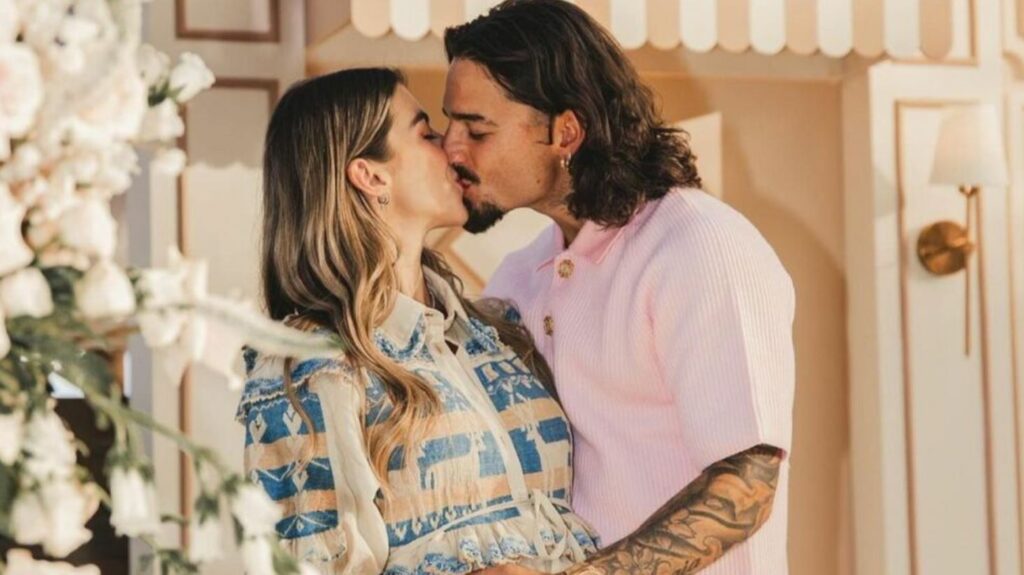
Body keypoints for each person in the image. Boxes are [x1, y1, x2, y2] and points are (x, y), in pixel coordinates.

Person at [441, 1, 796, 573]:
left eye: (477, 129)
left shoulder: (700, 246)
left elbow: (747, 483)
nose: (452, 148)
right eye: (450, 125)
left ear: (565, 132)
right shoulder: (516, 278)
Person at [237, 67, 599, 575]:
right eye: (427, 134)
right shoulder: (311, 364)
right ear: (370, 175)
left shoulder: (497, 331)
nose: (452, 148)